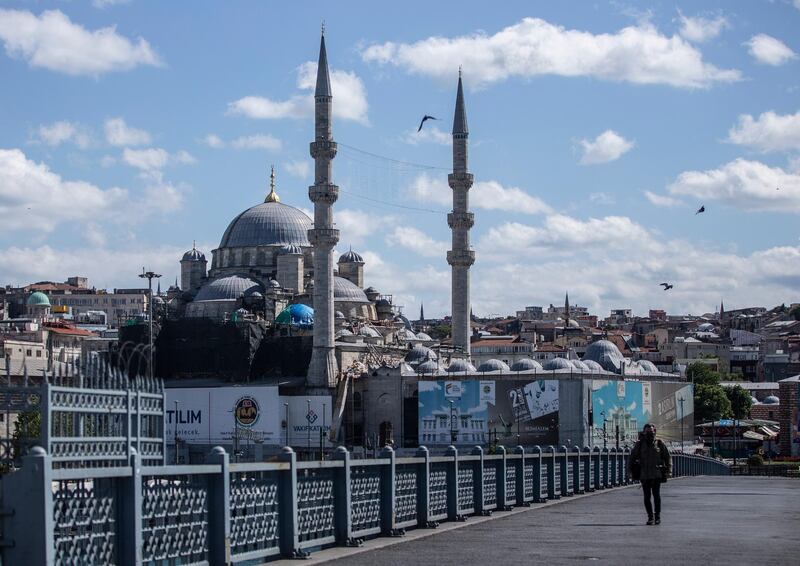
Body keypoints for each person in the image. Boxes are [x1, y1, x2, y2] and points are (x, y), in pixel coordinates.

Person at [629, 423, 671, 525]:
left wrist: (669, 470)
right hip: (644, 474)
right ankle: (650, 517)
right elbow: (632, 458)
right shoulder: (639, 444)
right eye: (647, 431)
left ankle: (657, 517)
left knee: (656, 496)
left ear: (655, 431)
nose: (650, 433)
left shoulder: (659, 443)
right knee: (647, 496)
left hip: (657, 474)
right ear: (644, 432)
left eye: (651, 431)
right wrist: (630, 471)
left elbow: (667, 457)